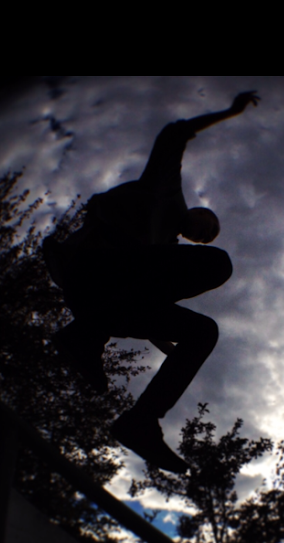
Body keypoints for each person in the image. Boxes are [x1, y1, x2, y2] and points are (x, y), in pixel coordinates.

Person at [43, 90, 260, 474]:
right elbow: (175, 134)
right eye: (208, 225)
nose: (205, 235)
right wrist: (231, 111)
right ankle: (87, 334)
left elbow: (151, 307)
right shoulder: (165, 190)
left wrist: (181, 358)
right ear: (197, 209)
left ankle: (140, 420)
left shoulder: (164, 254)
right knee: (218, 263)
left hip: (105, 301)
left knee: (203, 331)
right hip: (91, 267)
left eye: (206, 237)